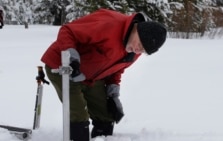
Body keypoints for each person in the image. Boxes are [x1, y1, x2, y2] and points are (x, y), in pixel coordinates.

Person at [41, 8, 166, 141]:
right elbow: (67, 30)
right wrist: (71, 56)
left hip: (91, 77)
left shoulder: (133, 53)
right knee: (79, 114)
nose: (137, 50)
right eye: (139, 44)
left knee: (106, 115)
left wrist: (113, 94)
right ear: (138, 30)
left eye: (142, 50)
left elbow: (116, 69)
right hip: (63, 67)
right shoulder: (109, 24)